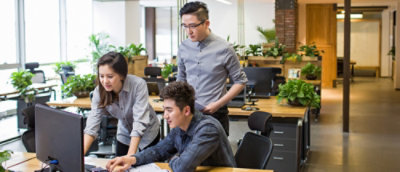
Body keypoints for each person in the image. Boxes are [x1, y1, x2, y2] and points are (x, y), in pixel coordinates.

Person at [106, 81, 236, 172]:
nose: (165, 116)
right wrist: (132, 159)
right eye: (164, 110)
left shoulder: (208, 130)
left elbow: (182, 168)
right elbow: (158, 151)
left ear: (186, 111)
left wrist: (173, 159)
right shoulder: (180, 127)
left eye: (169, 110)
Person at [177, 1, 247, 136]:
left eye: (192, 26)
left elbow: (240, 81)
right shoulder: (184, 47)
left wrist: (218, 104)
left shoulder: (225, 48)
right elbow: (181, 78)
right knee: (187, 156)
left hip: (215, 115)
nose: (188, 32)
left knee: (215, 157)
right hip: (188, 114)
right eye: (185, 26)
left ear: (206, 23)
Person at [84, 52, 160, 156]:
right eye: (101, 76)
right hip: (124, 132)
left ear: (121, 75)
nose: (105, 81)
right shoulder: (99, 92)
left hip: (148, 133)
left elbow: (139, 122)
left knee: (145, 166)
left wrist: (129, 157)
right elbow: (92, 126)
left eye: (110, 76)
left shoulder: (138, 85)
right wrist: (78, 157)